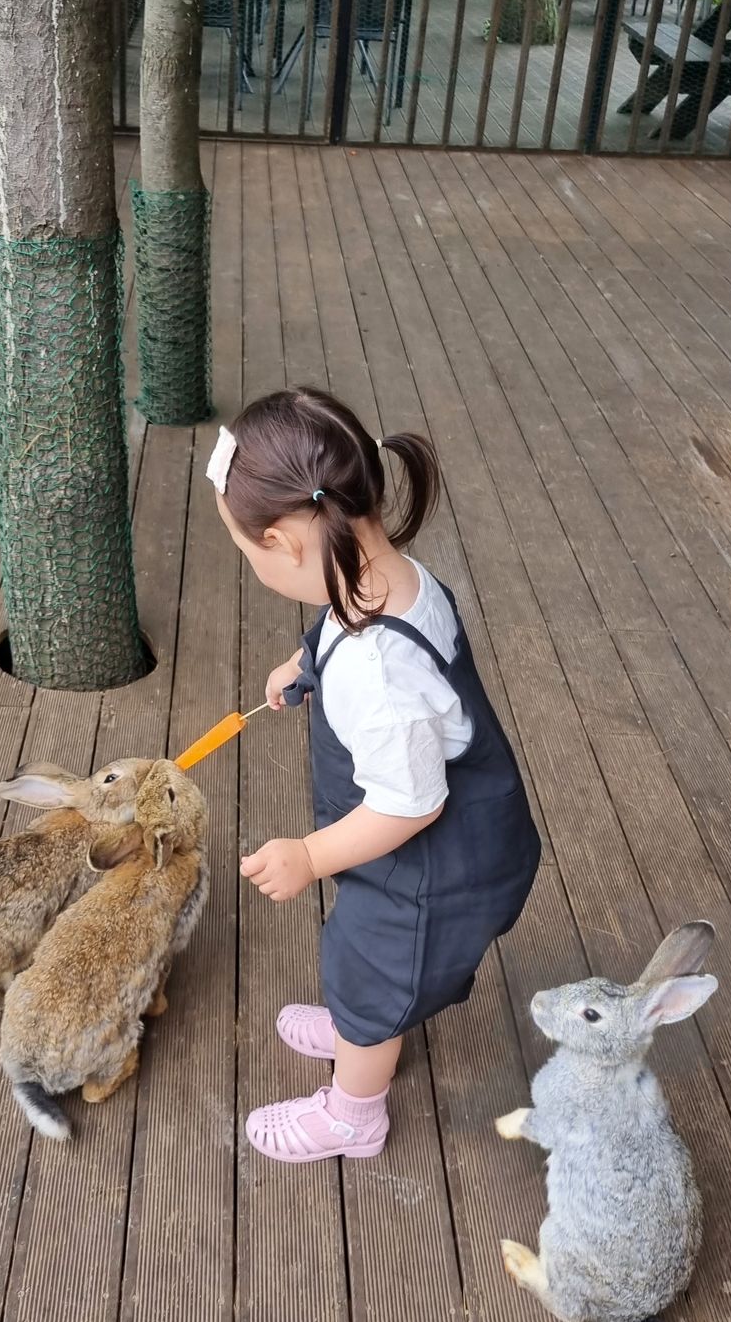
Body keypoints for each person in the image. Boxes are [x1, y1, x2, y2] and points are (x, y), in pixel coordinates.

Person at [208, 386, 540, 1164]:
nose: (252, 564)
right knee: (367, 956)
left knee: (370, 960)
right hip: (434, 834)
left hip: (432, 858)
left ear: (287, 542)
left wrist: (311, 856)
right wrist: (308, 661)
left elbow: (411, 802)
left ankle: (355, 1108)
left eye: (246, 551)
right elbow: (342, 623)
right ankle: (367, 1024)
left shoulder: (377, 675)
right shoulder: (380, 572)